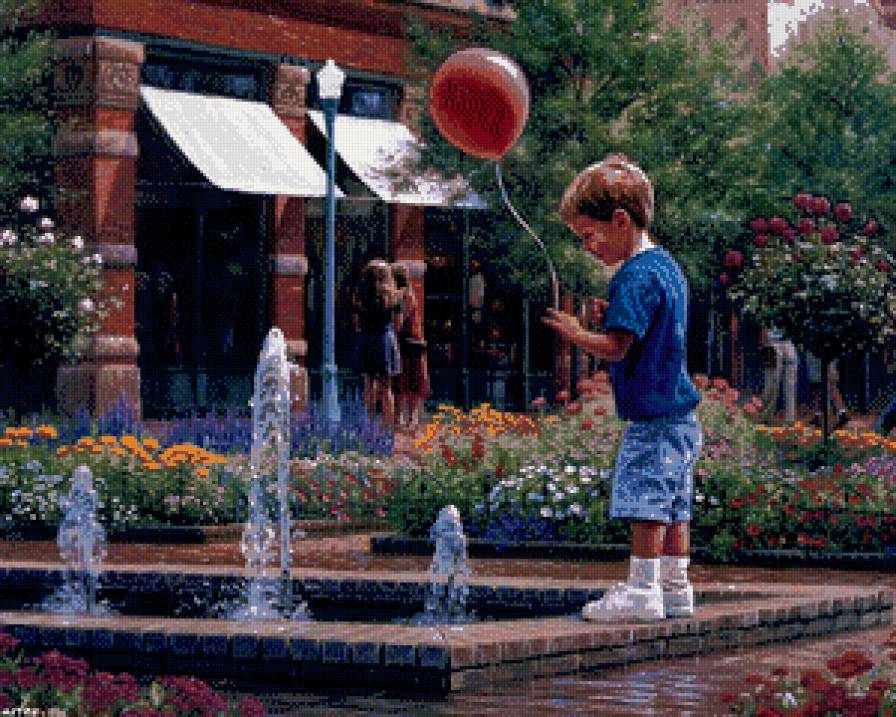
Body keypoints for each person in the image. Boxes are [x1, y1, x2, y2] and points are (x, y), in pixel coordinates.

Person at [542, 154, 703, 623]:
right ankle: (675, 587)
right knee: (674, 504)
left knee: (645, 500)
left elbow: (616, 347)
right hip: (681, 415)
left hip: (651, 415)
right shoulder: (666, 267)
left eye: (589, 235)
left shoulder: (633, 275)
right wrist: (607, 317)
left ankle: (642, 590)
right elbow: (647, 329)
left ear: (620, 221)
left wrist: (576, 333)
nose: (587, 247)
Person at [355, 259, 404, 430]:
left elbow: (356, 323)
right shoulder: (395, 297)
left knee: (369, 384)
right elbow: (398, 324)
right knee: (386, 387)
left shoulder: (361, 295)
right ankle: (388, 426)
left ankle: (369, 425)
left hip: (367, 338)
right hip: (384, 338)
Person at [391, 262, 430, 431]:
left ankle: (405, 419)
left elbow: (400, 322)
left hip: (407, 344)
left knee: (405, 382)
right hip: (411, 342)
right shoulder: (408, 295)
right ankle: (409, 419)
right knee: (409, 383)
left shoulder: (404, 297)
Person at [758, 326, 797, 424]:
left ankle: (790, 419)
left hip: (788, 341)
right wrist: (764, 342)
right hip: (772, 342)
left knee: (790, 385)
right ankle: (766, 416)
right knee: (771, 383)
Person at [805, 351, 849, 429]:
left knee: (830, 384)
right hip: (816, 353)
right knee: (818, 386)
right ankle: (818, 415)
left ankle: (842, 413)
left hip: (824, 352)